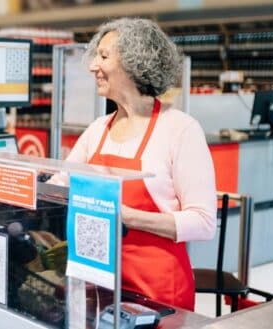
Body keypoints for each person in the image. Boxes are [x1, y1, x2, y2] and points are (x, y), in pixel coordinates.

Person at [66, 18, 216, 310]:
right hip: (100, 284)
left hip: (158, 291)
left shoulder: (180, 129)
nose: (93, 66)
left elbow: (204, 222)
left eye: (104, 56)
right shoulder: (98, 129)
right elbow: (59, 183)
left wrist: (125, 216)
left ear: (135, 63)